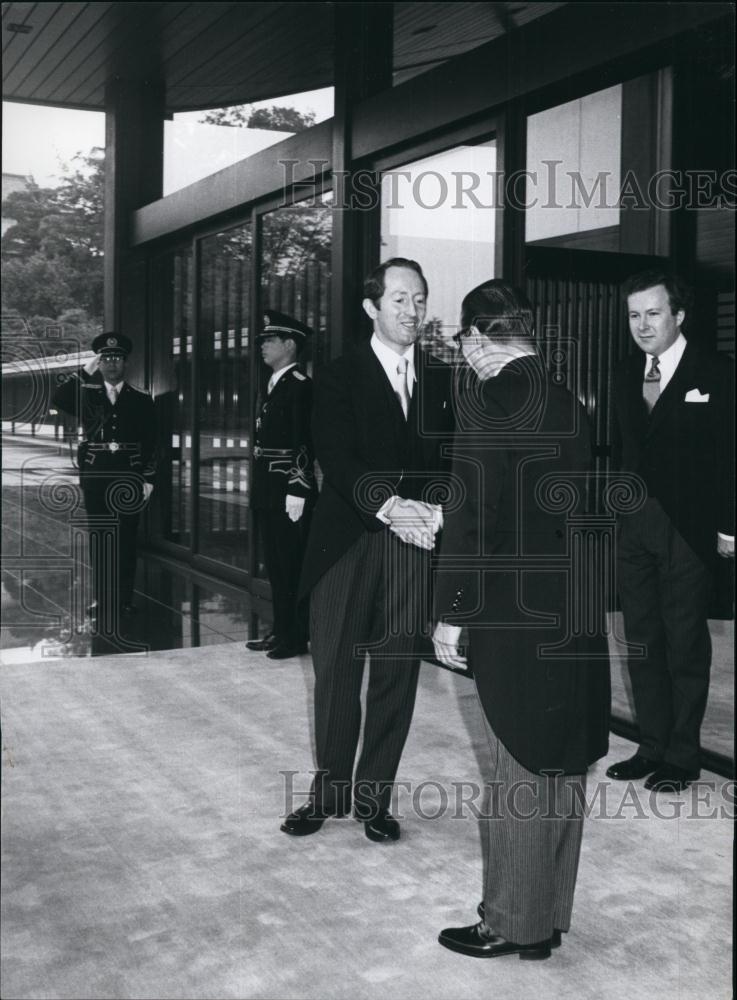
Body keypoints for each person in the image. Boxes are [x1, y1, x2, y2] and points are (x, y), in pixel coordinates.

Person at [433, 279, 610, 960]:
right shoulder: (569, 400)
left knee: (517, 770)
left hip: (515, 615)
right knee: (561, 763)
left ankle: (510, 922)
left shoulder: (488, 401)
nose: (464, 354)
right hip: (573, 608)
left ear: (478, 338)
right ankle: (546, 917)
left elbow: (473, 519)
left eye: (462, 341)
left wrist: (452, 612)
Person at [281, 257, 454, 841]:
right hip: (347, 545)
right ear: (372, 307)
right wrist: (392, 508)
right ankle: (327, 793)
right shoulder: (338, 375)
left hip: (413, 549)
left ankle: (374, 798)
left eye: (420, 300)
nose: (412, 311)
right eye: (400, 300)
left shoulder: (441, 377)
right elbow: (338, 455)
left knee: (397, 675)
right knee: (335, 674)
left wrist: (431, 511)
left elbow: (450, 460)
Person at [606, 270, 734, 793]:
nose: (642, 324)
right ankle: (651, 746)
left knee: (683, 642)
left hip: (690, 528)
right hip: (635, 525)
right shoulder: (622, 372)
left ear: (679, 315)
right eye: (634, 314)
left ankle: (683, 754)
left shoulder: (718, 372)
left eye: (653, 313)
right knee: (641, 640)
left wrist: (729, 526)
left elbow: (732, 454)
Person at [52, 332, 156, 619]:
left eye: (117, 359)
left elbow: (152, 441)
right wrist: (84, 370)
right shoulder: (88, 395)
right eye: (106, 359)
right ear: (100, 363)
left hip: (129, 475)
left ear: (125, 363)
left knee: (125, 538)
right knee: (101, 538)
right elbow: (59, 398)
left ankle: (124, 599)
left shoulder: (141, 399)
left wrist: (148, 477)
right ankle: (102, 599)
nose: (112, 364)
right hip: (97, 474)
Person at [246, 311, 317, 660]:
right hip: (268, 489)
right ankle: (281, 630)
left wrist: (298, 488)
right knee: (275, 565)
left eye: (269, 341)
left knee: (291, 564)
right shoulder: (274, 385)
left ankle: (295, 636)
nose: (263, 347)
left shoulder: (301, 387)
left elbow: (305, 441)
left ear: (289, 345)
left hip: (288, 491)